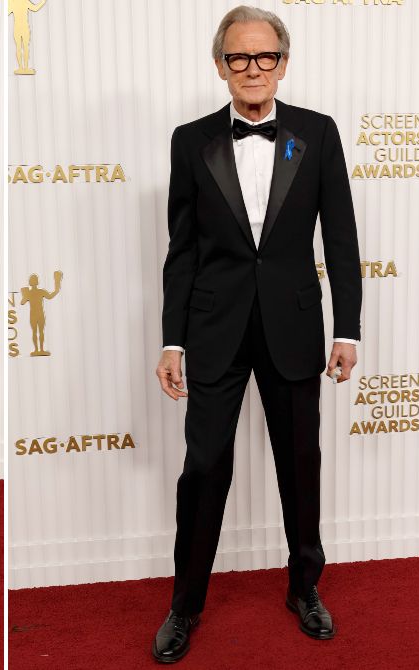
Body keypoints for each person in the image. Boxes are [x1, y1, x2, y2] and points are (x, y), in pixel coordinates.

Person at [152, 6, 362, 663]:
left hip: (295, 325)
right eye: (238, 57)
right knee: (204, 467)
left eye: (264, 56)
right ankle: (185, 605)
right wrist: (172, 340)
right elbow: (181, 250)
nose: (252, 68)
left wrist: (348, 328)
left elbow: (342, 239)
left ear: (283, 62)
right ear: (220, 65)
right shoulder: (190, 141)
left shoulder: (319, 134)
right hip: (213, 329)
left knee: (301, 465)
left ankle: (306, 589)